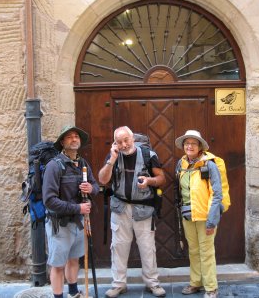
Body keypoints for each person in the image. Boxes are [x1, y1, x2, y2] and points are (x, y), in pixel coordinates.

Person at [98, 126, 167, 298]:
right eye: (119, 142)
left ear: (132, 138)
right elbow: (102, 179)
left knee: (147, 248)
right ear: (115, 143)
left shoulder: (148, 155)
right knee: (119, 248)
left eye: (126, 140)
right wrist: (111, 160)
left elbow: (162, 179)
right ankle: (118, 284)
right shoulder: (113, 156)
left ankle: (153, 283)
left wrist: (150, 181)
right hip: (120, 209)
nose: (123, 144)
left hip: (143, 209)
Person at [42, 125, 100, 298]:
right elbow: (49, 200)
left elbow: (96, 186)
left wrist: (91, 188)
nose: (74, 139)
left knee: (74, 259)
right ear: (62, 142)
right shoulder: (54, 166)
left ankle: (73, 293)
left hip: (79, 223)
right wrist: (78, 208)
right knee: (58, 265)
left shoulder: (82, 163)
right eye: (69, 137)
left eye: (76, 136)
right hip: (60, 225)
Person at [174, 130, 223, 298]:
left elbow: (217, 194)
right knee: (193, 251)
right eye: (187, 143)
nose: (189, 146)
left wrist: (212, 220)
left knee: (206, 252)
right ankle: (196, 282)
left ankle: (211, 287)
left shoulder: (209, 165)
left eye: (193, 143)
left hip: (205, 217)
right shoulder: (181, 165)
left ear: (200, 146)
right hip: (188, 216)